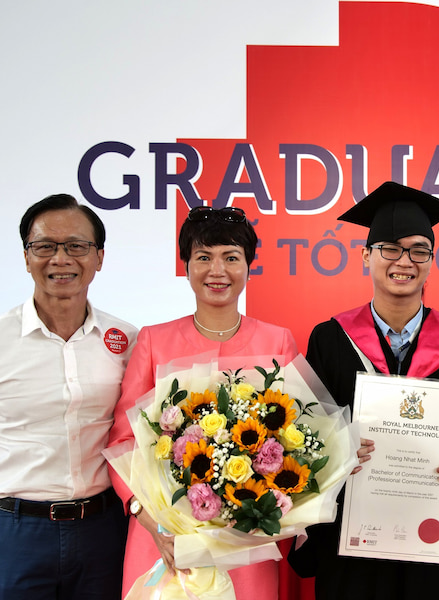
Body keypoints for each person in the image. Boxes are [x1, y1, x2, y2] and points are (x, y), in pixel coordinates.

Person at [288, 181, 439, 599]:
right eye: (390, 248)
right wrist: (337, 454)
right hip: (351, 541)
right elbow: (304, 442)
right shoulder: (330, 340)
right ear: (367, 256)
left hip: (431, 540)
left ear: (431, 259)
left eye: (419, 249)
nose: (404, 261)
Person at [0, 194, 137, 599]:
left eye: (77, 246)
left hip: (102, 529)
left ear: (99, 257)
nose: (61, 258)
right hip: (13, 533)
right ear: (27, 256)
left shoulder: (126, 341)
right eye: (45, 246)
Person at [107, 205, 298, 597]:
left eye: (231, 257)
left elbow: (297, 439)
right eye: (203, 257)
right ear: (186, 265)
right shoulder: (153, 341)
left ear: (248, 265)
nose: (218, 270)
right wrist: (150, 521)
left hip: (246, 540)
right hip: (165, 540)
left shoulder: (278, 341)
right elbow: (123, 444)